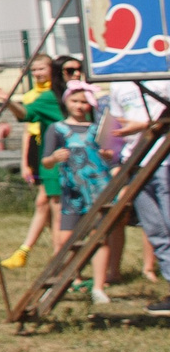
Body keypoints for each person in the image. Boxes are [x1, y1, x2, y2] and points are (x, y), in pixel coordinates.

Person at [103, 75, 170, 313]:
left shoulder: (160, 74)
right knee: (155, 229)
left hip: (164, 160)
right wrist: (113, 155)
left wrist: (143, 126)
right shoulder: (117, 82)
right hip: (135, 163)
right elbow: (116, 123)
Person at [45, 82, 117, 301]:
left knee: (99, 237)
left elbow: (112, 155)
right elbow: (46, 161)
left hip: (97, 190)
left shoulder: (97, 128)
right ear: (66, 102)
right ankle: (67, 279)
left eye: (84, 102)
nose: (79, 106)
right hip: (72, 192)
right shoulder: (57, 129)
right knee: (66, 239)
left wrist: (108, 155)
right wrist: (54, 158)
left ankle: (98, 285)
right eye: (74, 101)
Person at [0, 56, 63, 267]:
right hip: (40, 148)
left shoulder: (60, 94)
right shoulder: (34, 95)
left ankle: (33, 252)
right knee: (45, 204)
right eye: (33, 71)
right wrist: (25, 162)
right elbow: (26, 126)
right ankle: (36, 251)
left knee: (47, 204)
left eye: (41, 69)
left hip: (55, 154)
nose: (37, 74)